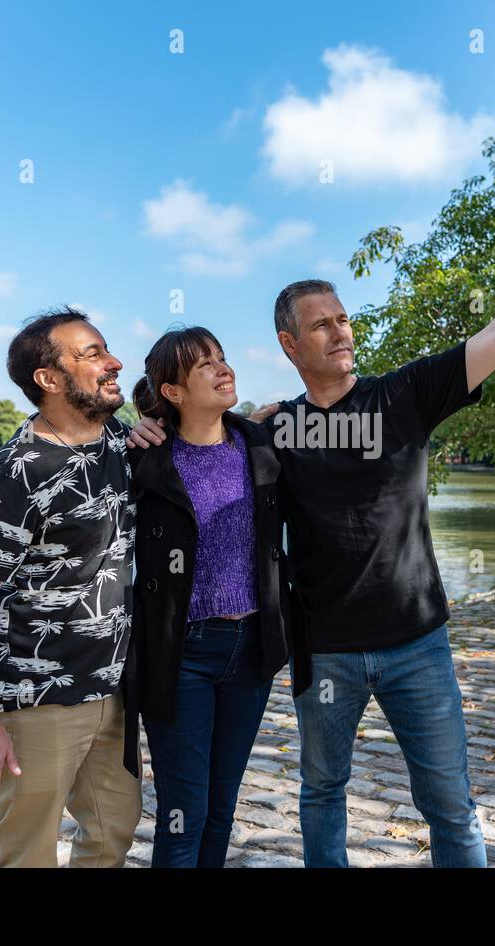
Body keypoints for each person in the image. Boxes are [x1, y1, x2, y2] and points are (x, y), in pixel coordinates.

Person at [131, 190, 495, 867]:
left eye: (344, 318)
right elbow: (197, 444)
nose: (342, 331)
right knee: (322, 794)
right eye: (323, 324)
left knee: (451, 803)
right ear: (289, 343)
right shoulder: (271, 430)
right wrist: (143, 430)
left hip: (417, 643)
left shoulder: (406, 394)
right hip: (322, 651)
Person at [0, 307, 142, 868]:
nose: (113, 362)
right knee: (27, 851)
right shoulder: (20, 470)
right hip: (38, 698)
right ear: (49, 379)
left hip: (113, 688)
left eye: (106, 349)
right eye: (92, 355)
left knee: (113, 831)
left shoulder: (119, 441)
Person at [125, 326, 290, 867]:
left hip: (252, 649)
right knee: (184, 814)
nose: (224, 370)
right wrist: (133, 429)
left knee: (223, 808)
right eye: (205, 366)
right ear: (172, 392)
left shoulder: (259, 443)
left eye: (223, 359)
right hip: (182, 655)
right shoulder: (145, 461)